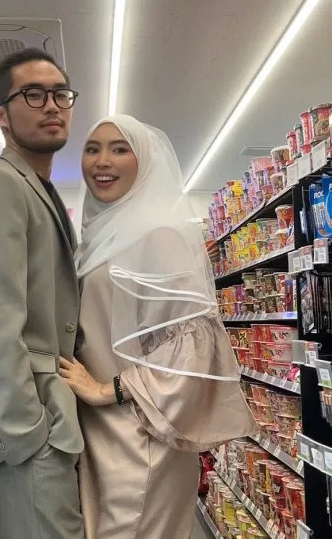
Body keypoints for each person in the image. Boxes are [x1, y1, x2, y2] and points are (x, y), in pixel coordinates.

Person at [59, 115, 257, 539]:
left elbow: (194, 347)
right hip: (100, 435)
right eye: (92, 149)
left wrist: (106, 389)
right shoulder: (98, 241)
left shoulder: (157, 235)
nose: (102, 160)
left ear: (144, 161)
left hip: (139, 437)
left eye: (120, 149)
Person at [0, 48, 85, 539]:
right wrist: (27, 434)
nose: (51, 105)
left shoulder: (38, 189)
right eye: (33, 94)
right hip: (28, 433)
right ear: (1, 114)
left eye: (60, 94)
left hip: (50, 418)